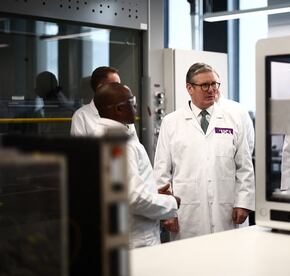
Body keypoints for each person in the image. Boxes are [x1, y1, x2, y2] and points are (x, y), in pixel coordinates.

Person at [153, 62, 255, 241]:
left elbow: (244, 166)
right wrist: (167, 211)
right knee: (190, 263)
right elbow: (161, 172)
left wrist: (243, 203)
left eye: (215, 84)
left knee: (231, 261)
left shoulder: (233, 119)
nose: (212, 90)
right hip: (187, 212)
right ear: (189, 88)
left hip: (227, 209)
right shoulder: (171, 122)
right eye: (205, 85)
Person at [93, 82, 180, 248]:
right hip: (137, 239)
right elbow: (135, 198)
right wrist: (171, 202)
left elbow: (122, 187)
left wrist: (153, 192)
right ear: (118, 109)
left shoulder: (105, 136)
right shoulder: (116, 145)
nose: (136, 107)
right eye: (132, 103)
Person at [70, 66, 136, 136]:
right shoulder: (81, 116)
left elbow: (135, 143)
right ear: (100, 88)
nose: (121, 88)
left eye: (120, 85)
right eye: (115, 85)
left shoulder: (123, 112)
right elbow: (78, 146)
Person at [215, 82, 255, 156]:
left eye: (213, 84)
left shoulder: (238, 110)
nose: (210, 89)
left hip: (230, 166)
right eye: (205, 85)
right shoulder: (190, 113)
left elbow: (247, 147)